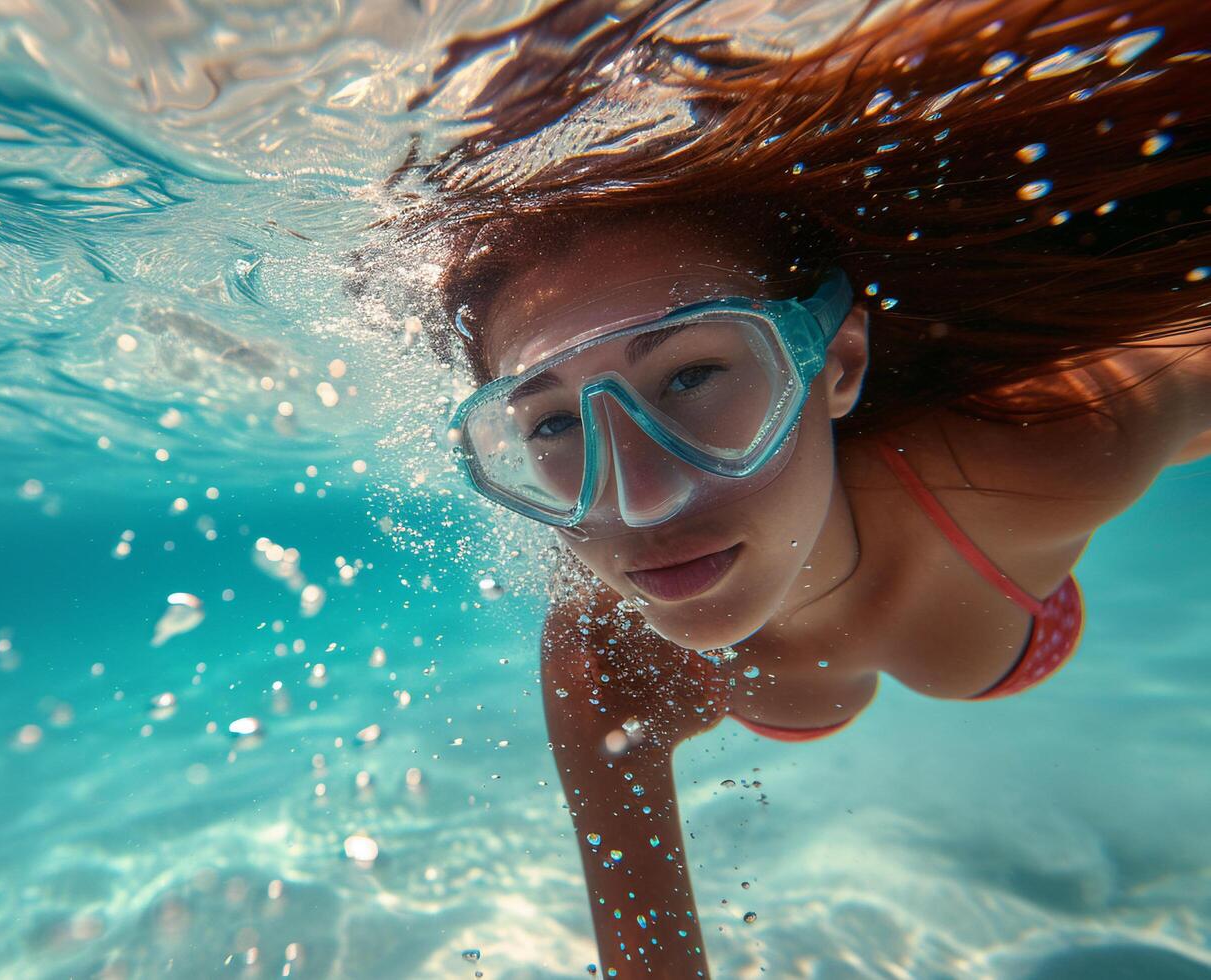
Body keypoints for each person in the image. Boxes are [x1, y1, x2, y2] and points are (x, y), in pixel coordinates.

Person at [372, 0, 1211, 974]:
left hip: (992, 560)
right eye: (553, 425)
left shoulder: (1050, 446)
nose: (639, 499)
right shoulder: (610, 656)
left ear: (839, 361)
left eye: (691, 376)